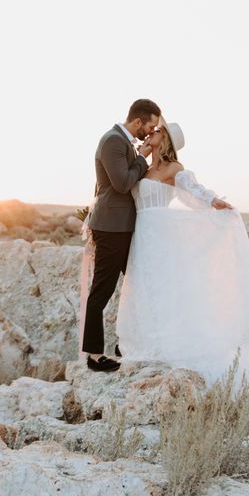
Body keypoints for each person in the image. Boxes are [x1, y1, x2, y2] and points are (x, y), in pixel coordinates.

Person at [115, 117, 249, 387]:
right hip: (143, 236)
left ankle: (175, 351)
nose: (151, 133)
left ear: (167, 140)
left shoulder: (175, 168)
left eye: (157, 131)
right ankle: (150, 346)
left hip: (162, 235)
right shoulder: (142, 168)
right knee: (144, 289)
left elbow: (193, 188)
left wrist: (213, 200)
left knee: (166, 289)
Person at [81, 98, 161, 372]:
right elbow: (123, 183)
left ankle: (126, 342)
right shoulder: (113, 141)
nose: (150, 133)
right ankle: (93, 355)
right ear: (138, 121)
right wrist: (143, 158)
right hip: (111, 227)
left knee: (137, 283)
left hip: (124, 226)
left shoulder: (123, 142)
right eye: (149, 126)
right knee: (102, 290)